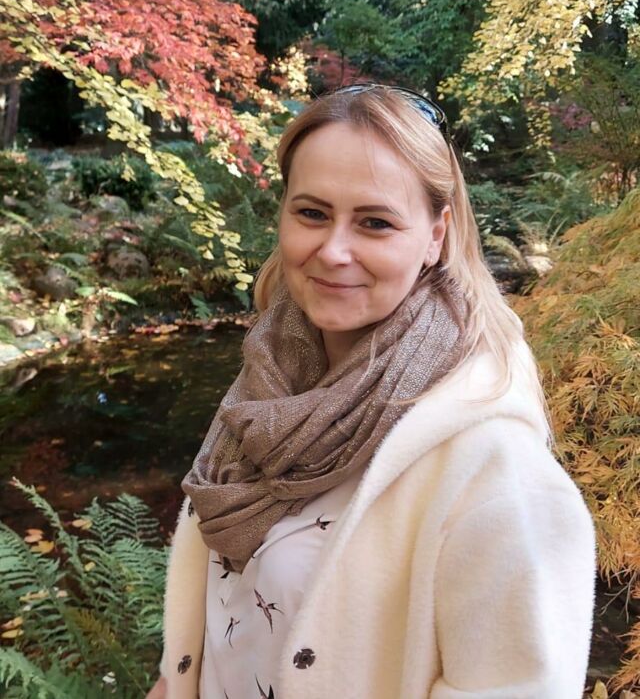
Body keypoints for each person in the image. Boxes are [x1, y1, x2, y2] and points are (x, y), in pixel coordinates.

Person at [146, 85, 597, 699]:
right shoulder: (271, 384)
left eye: (375, 223)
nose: (333, 251)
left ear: (436, 235)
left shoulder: (493, 468)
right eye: (312, 213)